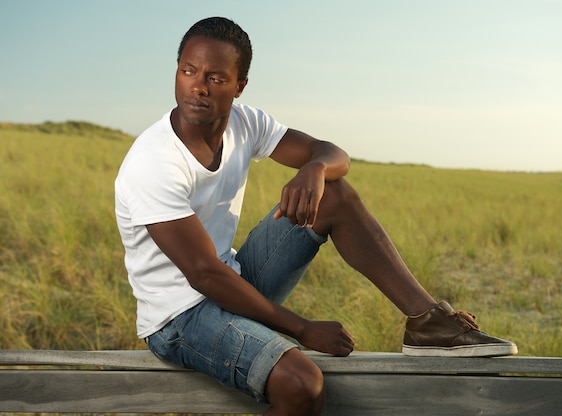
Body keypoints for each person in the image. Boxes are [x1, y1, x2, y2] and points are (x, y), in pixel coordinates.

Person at [115, 16, 517, 415]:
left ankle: (428, 323)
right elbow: (203, 274)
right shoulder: (153, 161)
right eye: (188, 71)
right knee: (301, 385)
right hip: (179, 317)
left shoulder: (244, 122)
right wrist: (303, 329)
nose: (198, 86)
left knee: (334, 195)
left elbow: (334, 154)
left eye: (216, 78)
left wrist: (315, 170)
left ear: (239, 85)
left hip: (233, 280)